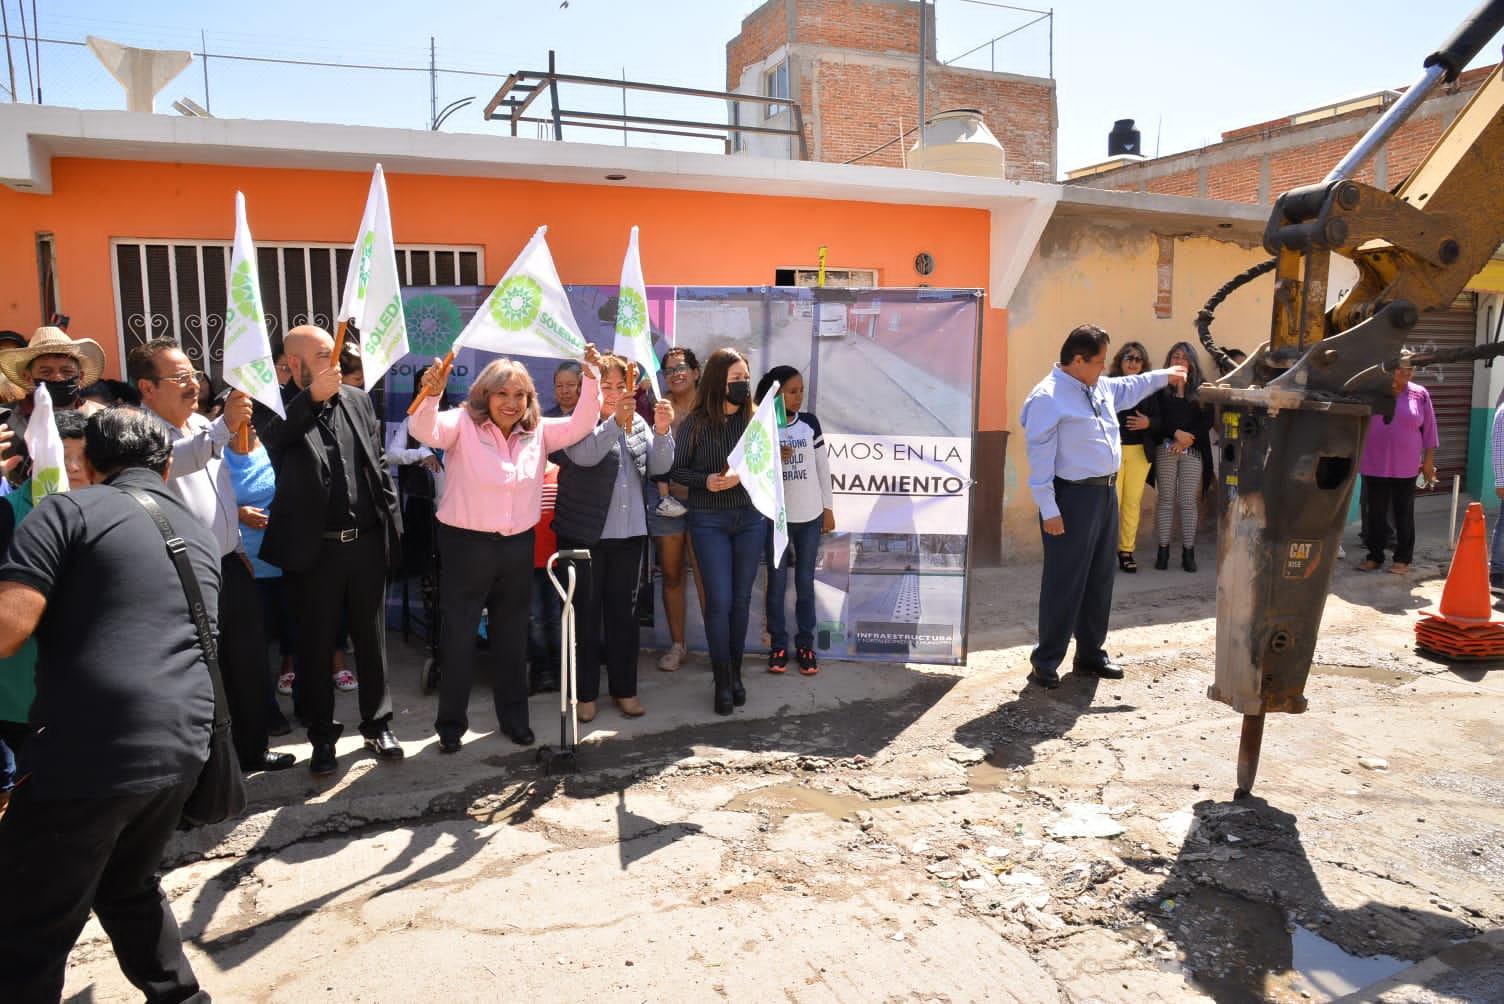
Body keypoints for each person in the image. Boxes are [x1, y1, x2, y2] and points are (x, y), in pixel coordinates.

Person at [0, 407, 219, 1002]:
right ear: (168, 464)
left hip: (89, 751)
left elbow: (8, 628)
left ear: (89, 465)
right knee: (127, 884)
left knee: (25, 925)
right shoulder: (194, 529)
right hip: (183, 743)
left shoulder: (68, 509)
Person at [409, 347, 602, 753]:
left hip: (517, 546)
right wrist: (430, 395)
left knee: (512, 637)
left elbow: (583, 423)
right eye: (503, 395)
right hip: (465, 546)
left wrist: (592, 378)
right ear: (485, 397)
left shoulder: (540, 431)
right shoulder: (461, 424)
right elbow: (424, 431)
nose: (512, 403)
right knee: (459, 637)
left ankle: (515, 721)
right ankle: (449, 726)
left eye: (521, 395)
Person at [131, 339, 295, 775]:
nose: (192, 384)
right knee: (204, 671)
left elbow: (219, 495)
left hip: (227, 563)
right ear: (147, 387)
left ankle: (253, 749)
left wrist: (237, 543)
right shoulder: (140, 433)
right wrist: (224, 427)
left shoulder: (200, 424)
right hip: (181, 574)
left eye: (194, 375)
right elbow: (169, 464)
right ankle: (207, 768)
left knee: (247, 659)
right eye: (179, 377)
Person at [252, 325, 404, 775]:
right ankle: (321, 735)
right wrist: (310, 400)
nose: (335, 363)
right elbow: (273, 442)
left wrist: (390, 530)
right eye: (323, 355)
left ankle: (378, 725)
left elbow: (376, 466)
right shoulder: (274, 406)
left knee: (371, 642)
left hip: (364, 546)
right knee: (314, 647)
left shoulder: (357, 399)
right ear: (294, 364)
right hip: (312, 552)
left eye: (337, 354)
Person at [1020, 324, 1186, 689]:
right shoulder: (1048, 397)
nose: (1104, 368)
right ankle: (1046, 660)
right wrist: (1049, 509)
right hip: (1071, 497)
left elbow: (1131, 387)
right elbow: (1040, 458)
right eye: (1098, 362)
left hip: (1104, 495)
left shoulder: (1098, 386)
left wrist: (1165, 375)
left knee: (1099, 578)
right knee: (1065, 580)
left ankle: (1090, 655)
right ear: (1078, 360)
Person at [554, 355, 675, 721]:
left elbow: (659, 467)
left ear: (630, 387)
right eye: (604, 386)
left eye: (619, 386)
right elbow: (586, 456)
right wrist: (613, 422)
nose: (612, 392)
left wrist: (664, 431)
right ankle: (585, 694)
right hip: (584, 536)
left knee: (624, 616)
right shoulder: (577, 420)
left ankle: (626, 690)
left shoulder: (638, 421)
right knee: (585, 616)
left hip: (629, 535)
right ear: (591, 387)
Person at [0, 409, 90, 815]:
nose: (72, 468)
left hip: (87, 690)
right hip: (21, 696)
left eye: (82, 457)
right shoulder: (7, 515)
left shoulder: (109, 511)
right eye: (60, 456)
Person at [670, 347, 765, 715]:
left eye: (745, 378)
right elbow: (678, 472)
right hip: (708, 521)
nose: (743, 385)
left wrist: (744, 473)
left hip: (749, 520)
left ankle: (736, 674)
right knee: (720, 602)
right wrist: (706, 482)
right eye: (735, 379)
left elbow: (766, 465)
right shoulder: (696, 423)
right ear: (716, 383)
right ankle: (721, 680)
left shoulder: (755, 420)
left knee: (741, 602)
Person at [754, 365, 833, 675]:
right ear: (776, 393)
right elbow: (752, 471)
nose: (799, 397)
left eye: (801, 391)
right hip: (776, 519)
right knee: (776, 585)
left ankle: (805, 645)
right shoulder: (762, 425)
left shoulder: (810, 424)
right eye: (792, 391)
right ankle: (778, 645)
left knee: (804, 583)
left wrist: (828, 508)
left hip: (810, 516)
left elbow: (822, 469)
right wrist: (774, 454)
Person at [648, 346, 705, 672]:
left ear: (696, 372)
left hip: (705, 503)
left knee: (704, 575)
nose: (676, 373)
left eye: (682, 367)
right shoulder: (658, 406)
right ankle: (677, 646)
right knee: (670, 575)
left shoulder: (710, 407)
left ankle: (719, 647)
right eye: (669, 370)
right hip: (666, 502)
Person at [1358, 362, 1438, 575]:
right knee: (1375, 513)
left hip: (1407, 465)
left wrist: (1428, 462)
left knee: (1404, 513)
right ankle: (1374, 557)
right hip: (1374, 463)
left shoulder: (1419, 394)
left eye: (1410, 367)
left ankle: (1403, 559)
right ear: (1388, 369)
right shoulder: (1374, 392)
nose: (1406, 371)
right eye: (1400, 367)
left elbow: (1430, 429)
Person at [0, 326, 108, 484]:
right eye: (46, 372)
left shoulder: (101, 418)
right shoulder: (4, 420)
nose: (57, 378)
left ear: (80, 377)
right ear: (28, 377)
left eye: (66, 371)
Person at [1148, 342, 1213, 573]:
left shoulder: (1203, 389)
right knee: (1166, 499)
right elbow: (1158, 418)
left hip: (1193, 451)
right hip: (1166, 448)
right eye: (1175, 356)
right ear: (1169, 361)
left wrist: (1188, 438)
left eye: (1183, 358)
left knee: (1187, 502)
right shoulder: (1159, 388)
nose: (1179, 361)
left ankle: (1188, 552)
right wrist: (1175, 435)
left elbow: (1207, 420)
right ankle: (1163, 551)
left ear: (1191, 362)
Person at [1109, 342, 1157, 573]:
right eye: (1129, 357)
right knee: (1111, 503)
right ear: (1120, 360)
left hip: (1139, 452)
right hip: (1113, 453)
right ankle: (1106, 551)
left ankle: (1126, 550)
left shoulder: (1150, 389)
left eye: (1138, 359)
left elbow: (1162, 420)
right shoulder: (1108, 385)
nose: (1133, 362)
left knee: (1131, 503)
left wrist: (1149, 423)